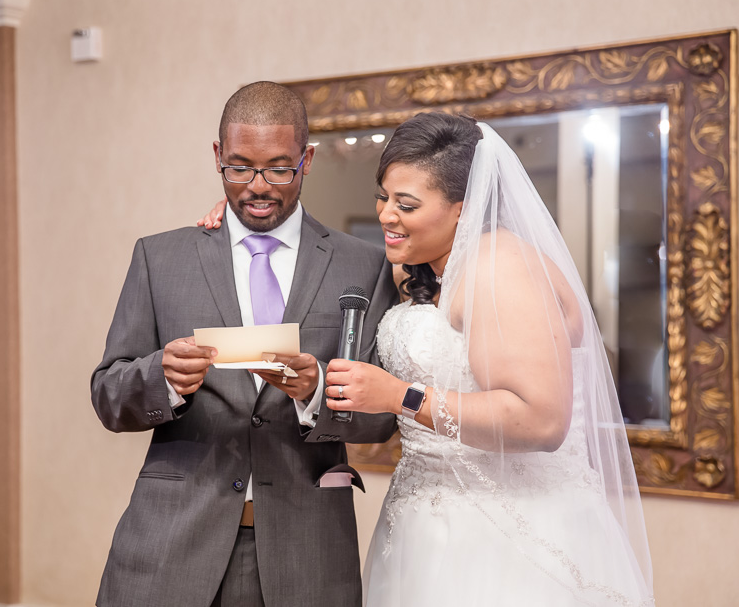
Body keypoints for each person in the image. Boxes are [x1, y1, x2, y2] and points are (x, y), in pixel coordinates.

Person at [199, 111, 656, 606]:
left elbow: (541, 421)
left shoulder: (502, 269)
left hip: (506, 536)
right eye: (384, 197)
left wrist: (399, 396)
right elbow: (319, 257)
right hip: (423, 525)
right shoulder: (425, 271)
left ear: (463, 208)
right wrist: (246, 225)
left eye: (406, 204)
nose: (385, 215)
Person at [91, 81, 399, 607]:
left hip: (307, 553)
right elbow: (108, 396)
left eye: (279, 168)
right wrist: (160, 378)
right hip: (170, 544)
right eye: (239, 167)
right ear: (218, 157)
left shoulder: (362, 265)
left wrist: (317, 389)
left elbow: (383, 418)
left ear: (307, 159)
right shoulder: (160, 258)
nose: (259, 186)